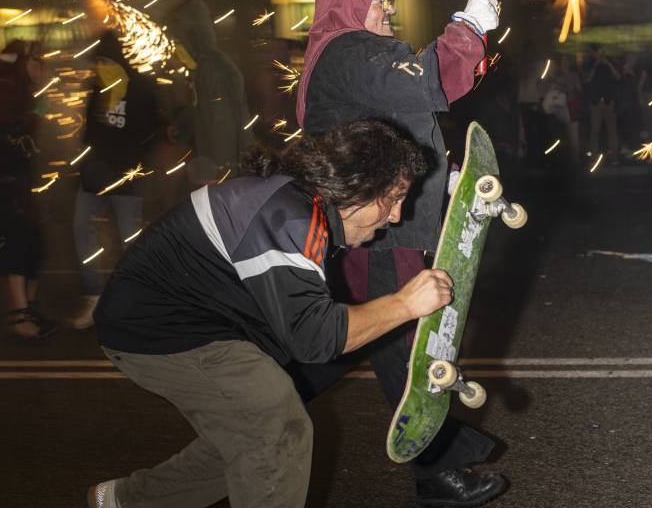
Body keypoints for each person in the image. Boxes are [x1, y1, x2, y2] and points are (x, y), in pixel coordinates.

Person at [87, 120, 453, 508]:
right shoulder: (291, 217)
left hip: (207, 318)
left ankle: (125, 501)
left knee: (246, 429)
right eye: (392, 199)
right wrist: (405, 304)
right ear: (358, 187)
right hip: (163, 329)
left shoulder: (303, 204)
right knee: (275, 424)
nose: (396, 216)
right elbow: (315, 337)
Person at [295, 0, 507, 507]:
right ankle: (439, 471)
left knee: (346, 343)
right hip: (378, 231)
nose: (389, 7)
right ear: (345, 1)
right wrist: (469, 29)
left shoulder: (346, 60)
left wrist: (438, 185)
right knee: (408, 347)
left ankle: (256, 396)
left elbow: (404, 125)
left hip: (377, 223)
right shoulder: (349, 50)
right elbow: (431, 83)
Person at [69, 31, 164, 329]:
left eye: (105, 59)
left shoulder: (139, 89)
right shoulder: (97, 88)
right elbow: (89, 134)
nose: (99, 65)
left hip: (126, 180)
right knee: (82, 233)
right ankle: (93, 299)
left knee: (131, 242)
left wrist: (132, 164)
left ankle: (136, 304)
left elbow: (153, 132)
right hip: (95, 179)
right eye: (97, 60)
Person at [0, 40, 56, 342]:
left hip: (17, 181)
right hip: (3, 185)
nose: (42, 66)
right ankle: (17, 316)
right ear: (21, 62)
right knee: (19, 241)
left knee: (36, 244)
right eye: (36, 60)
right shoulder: (3, 91)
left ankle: (28, 308)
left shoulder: (19, 91)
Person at [166, 0, 254, 188]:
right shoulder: (204, 66)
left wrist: (218, 174)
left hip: (221, 173)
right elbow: (204, 111)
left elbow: (221, 127)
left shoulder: (212, 69)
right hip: (218, 171)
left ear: (191, 35)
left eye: (179, 39)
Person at [584, 45, 619, 162]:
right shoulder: (590, 64)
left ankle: (614, 157)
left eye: (602, 52)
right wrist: (596, 64)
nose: (600, 54)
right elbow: (588, 80)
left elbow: (618, 77)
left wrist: (608, 63)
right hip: (596, 103)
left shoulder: (610, 63)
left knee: (612, 130)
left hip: (609, 102)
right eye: (598, 52)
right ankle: (594, 157)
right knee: (594, 131)